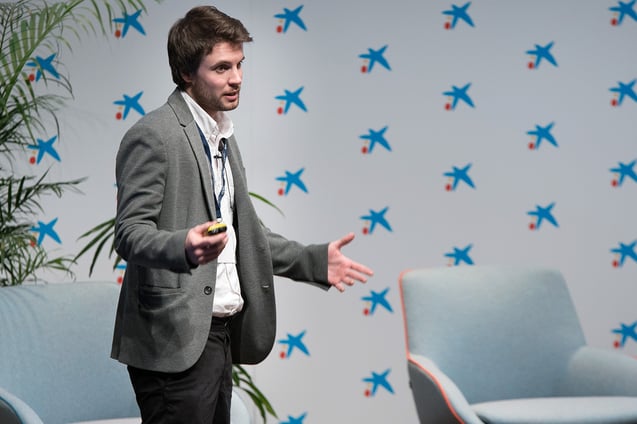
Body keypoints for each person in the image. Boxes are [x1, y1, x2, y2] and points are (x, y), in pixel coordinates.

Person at [110, 5, 374, 424]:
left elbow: (242, 234)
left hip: (218, 336)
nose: (236, 78)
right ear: (186, 72)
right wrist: (184, 246)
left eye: (239, 65)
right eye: (221, 68)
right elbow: (129, 233)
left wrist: (312, 261)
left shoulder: (222, 137)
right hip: (173, 340)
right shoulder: (154, 135)